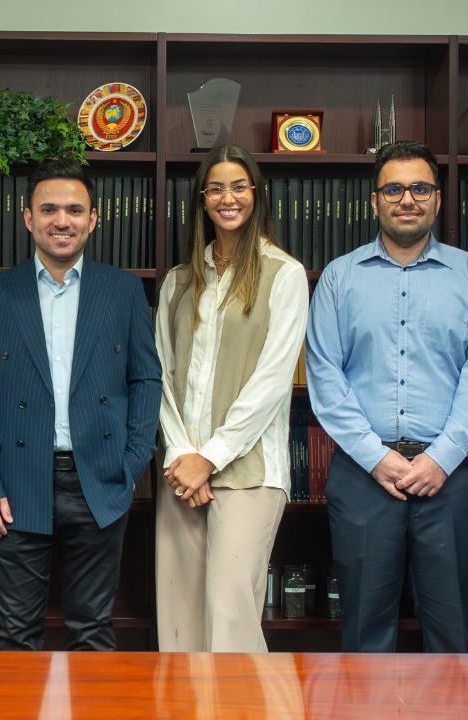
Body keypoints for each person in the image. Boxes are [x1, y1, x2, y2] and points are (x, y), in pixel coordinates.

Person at [305, 140, 468, 653]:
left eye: (420, 188)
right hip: (364, 475)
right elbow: (325, 375)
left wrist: (441, 458)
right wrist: (377, 459)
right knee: (364, 630)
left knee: (451, 632)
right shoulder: (338, 277)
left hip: (452, 476)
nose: (407, 199)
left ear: (438, 200)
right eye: (393, 188)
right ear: (374, 201)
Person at [0, 156, 162, 651]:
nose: (62, 221)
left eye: (74, 209)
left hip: (100, 480)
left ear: (94, 218)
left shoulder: (124, 290)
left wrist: (130, 466)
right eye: (49, 209)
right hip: (14, 483)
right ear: (28, 218)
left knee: (92, 630)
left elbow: (146, 379)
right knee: (13, 635)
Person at [154, 145, 308, 652]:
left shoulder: (283, 275)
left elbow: (271, 381)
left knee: (230, 617)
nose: (228, 197)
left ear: (256, 194)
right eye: (216, 187)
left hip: (249, 472)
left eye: (239, 186)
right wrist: (182, 456)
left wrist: (211, 457)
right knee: (181, 621)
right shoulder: (179, 281)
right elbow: (161, 377)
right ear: (202, 200)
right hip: (181, 474)